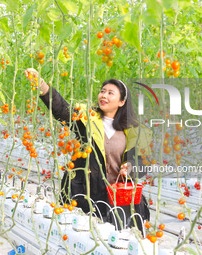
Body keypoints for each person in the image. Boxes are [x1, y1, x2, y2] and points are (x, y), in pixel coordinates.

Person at [24, 68, 151, 230]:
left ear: (122, 101)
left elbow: (143, 163)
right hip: (88, 193)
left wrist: (131, 166)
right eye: (102, 91)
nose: (104, 95)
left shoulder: (134, 130)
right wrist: (41, 85)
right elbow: (62, 110)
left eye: (110, 93)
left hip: (119, 197)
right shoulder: (86, 120)